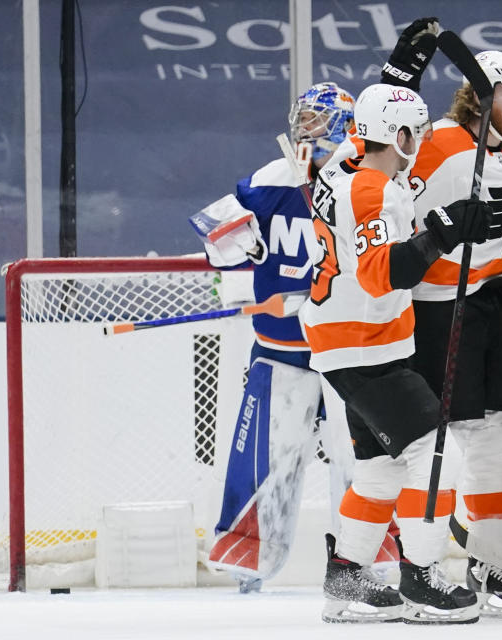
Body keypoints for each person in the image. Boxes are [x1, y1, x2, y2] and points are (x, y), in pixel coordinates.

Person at [300, 83, 492, 624]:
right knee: (438, 457)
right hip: (361, 345)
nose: (425, 138)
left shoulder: (343, 168)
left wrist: (406, 66)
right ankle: (422, 578)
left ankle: (347, 579)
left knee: (382, 468)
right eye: (419, 130)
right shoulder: (372, 190)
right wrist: (444, 230)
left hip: (353, 341)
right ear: (400, 135)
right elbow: (384, 274)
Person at [189, 82, 358, 593]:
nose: (305, 128)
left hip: (352, 348)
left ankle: (371, 559)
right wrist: (235, 247)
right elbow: (217, 239)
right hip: (281, 348)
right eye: (302, 117)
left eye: (316, 119)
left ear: (344, 126)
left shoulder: (364, 181)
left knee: (360, 463)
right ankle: (250, 563)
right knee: (268, 459)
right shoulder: (270, 179)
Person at [406, 49, 502, 618]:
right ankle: (420, 563)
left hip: (491, 301)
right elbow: (389, 203)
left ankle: (488, 557)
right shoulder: (436, 143)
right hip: (438, 307)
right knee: (446, 443)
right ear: (476, 94)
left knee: (500, 439)